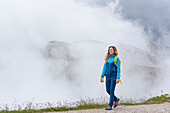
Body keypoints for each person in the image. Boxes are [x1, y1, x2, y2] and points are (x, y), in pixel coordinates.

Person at [100, 46, 120, 110]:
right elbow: (104, 68)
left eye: (111, 50)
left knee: (111, 90)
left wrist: (118, 78)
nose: (110, 51)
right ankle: (116, 99)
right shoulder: (107, 59)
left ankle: (110, 105)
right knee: (107, 90)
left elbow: (118, 69)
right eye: (109, 50)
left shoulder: (116, 59)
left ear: (114, 51)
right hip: (107, 76)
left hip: (113, 76)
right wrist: (101, 76)